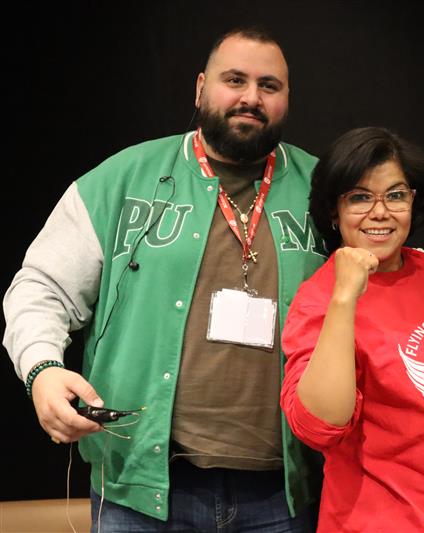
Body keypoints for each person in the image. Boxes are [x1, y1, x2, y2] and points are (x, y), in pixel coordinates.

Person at [3, 26, 326, 531]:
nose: (251, 97)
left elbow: (397, 265)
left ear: (287, 98)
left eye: (269, 85)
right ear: (200, 88)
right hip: (140, 491)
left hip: (282, 496)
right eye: (234, 80)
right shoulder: (122, 179)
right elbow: (41, 287)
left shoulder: (326, 191)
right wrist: (41, 369)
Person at [280, 127, 424, 532]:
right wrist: (344, 297)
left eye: (395, 195)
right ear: (334, 211)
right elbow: (318, 427)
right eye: (359, 197)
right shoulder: (319, 298)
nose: (380, 212)